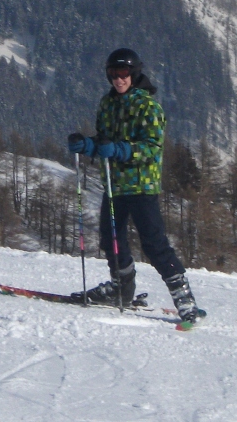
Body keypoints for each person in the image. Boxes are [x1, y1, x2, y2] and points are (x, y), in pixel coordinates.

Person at [68, 48, 202, 324]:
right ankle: (122, 288)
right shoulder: (107, 104)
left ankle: (183, 297)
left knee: (154, 243)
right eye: (113, 74)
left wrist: (119, 150)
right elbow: (105, 140)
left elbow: (153, 148)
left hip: (142, 186)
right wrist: (89, 145)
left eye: (124, 73)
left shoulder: (148, 107)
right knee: (111, 240)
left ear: (135, 74)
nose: (118, 79)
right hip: (115, 184)